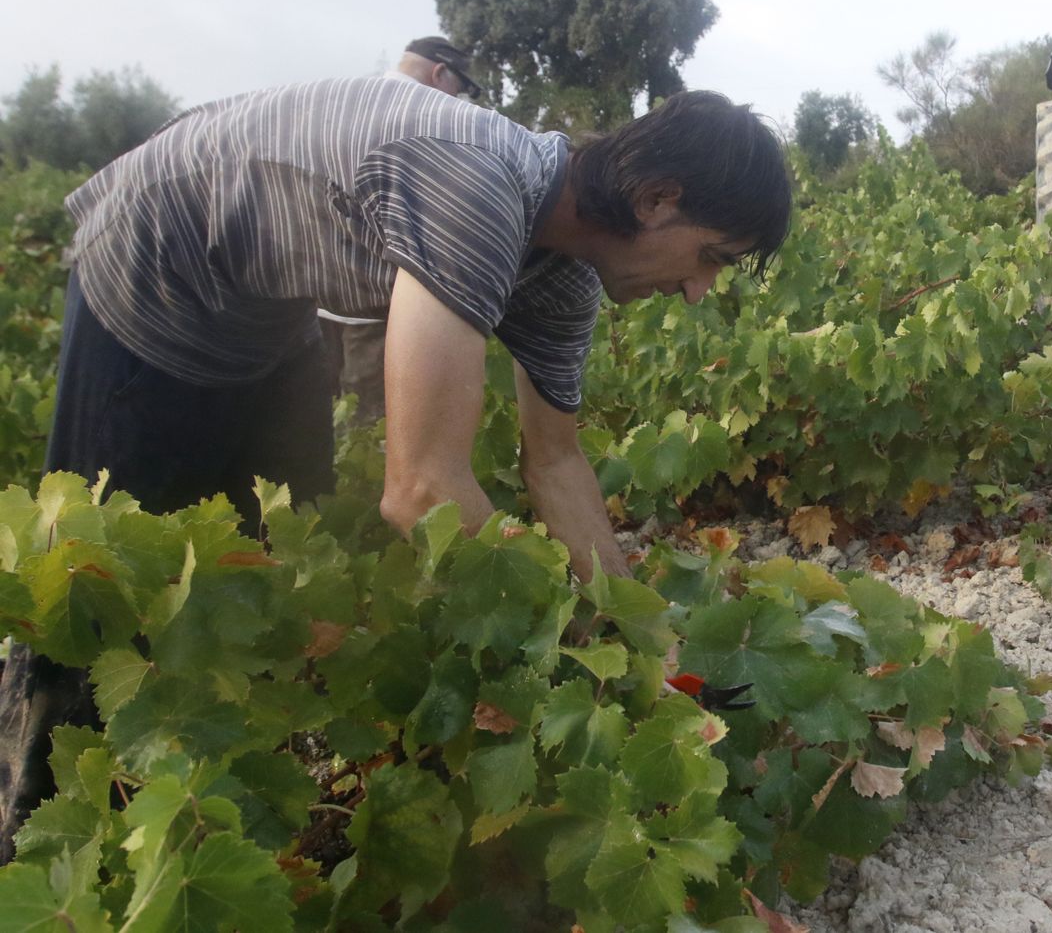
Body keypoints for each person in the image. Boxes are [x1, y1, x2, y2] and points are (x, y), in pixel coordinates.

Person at [0, 80, 790, 860]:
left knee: (291, 561)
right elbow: (421, 491)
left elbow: (555, 461)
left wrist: (641, 644)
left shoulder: (564, 276)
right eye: (710, 259)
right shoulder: (477, 190)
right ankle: (33, 839)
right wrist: (572, 638)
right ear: (655, 198)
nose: (696, 294)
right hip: (152, 265)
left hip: (271, 307)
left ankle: (223, 800)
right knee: (95, 595)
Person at [322, 36, 488, 424]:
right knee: (375, 433)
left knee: (319, 429)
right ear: (440, 72)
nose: (457, 98)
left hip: (315, 304)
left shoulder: (345, 101)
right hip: (375, 307)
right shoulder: (424, 117)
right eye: (459, 88)